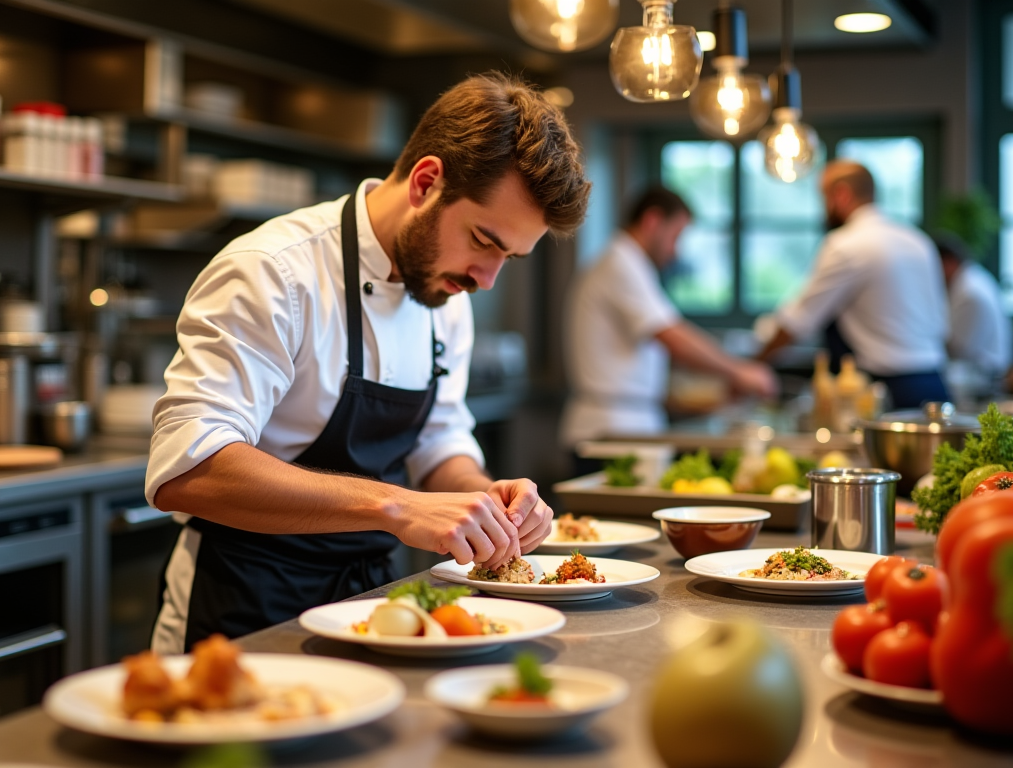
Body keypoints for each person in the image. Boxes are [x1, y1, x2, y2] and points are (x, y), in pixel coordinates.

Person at [146, 73, 590, 653]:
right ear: (426, 183)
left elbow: (437, 440)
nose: (486, 280)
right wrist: (397, 506)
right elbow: (187, 469)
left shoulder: (446, 294)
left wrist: (483, 501)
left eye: (509, 256)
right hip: (241, 611)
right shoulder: (274, 272)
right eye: (484, 240)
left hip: (373, 609)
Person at [560, 187, 778, 463]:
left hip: (624, 427)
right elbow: (673, 336)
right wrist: (739, 372)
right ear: (652, 221)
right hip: (609, 431)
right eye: (675, 236)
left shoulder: (631, 265)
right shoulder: (620, 263)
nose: (675, 250)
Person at [758, 161, 949, 409]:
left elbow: (798, 321)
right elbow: (942, 324)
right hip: (936, 384)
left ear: (841, 195)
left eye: (824, 198)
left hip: (887, 393)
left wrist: (755, 364)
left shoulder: (846, 245)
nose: (823, 209)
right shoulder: (917, 241)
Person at [934, 231, 1013, 396]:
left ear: (948, 262)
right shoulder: (974, 278)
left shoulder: (969, 292)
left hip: (983, 378)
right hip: (982, 372)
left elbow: (959, 348)